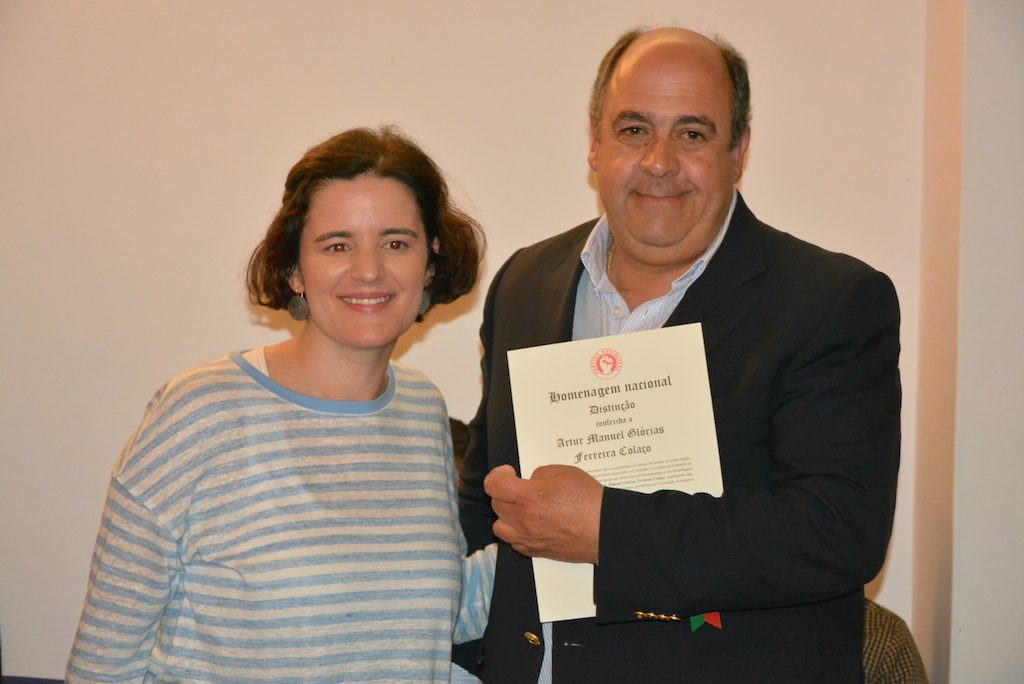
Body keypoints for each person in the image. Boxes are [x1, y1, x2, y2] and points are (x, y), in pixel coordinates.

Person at [458, 27, 901, 682]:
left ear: (738, 151)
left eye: (692, 133)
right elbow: (482, 498)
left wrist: (606, 527)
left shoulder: (830, 301)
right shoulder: (526, 282)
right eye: (634, 129)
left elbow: (836, 531)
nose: (659, 160)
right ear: (595, 142)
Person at [66, 126, 495, 683]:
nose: (369, 269)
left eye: (396, 242)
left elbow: (428, 619)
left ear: (430, 262)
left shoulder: (421, 409)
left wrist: (579, 524)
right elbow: (105, 660)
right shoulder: (202, 411)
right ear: (294, 270)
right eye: (337, 245)